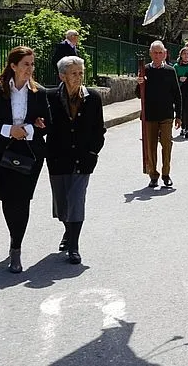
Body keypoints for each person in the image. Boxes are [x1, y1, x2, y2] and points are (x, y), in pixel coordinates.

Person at [0, 46, 51, 273]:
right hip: (2, 151)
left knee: (22, 200)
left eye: (32, 64)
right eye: (25, 64)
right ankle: (15, 236)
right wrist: (9, 130)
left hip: (29, 153)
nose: (30, 69)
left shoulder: (39, 92)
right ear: (13, 66)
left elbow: (47, 125)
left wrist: (29, 129)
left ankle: (16, 248)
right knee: (7, 198)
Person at [45, 55, 105, 264]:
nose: (78, 77)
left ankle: (74, 245)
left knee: (76, 200)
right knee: (62, 204)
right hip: (57, 158)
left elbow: (99, 130)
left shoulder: (93, 97)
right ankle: (68, 231)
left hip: (83, 158)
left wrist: (93, 153)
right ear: (62, 76)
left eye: (81, 73)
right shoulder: (50, 97)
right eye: (73, 73)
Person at [137, 41, 181, 188]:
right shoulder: (145, 70)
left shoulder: (170, 70)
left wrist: (179, 116)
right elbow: (138, 94)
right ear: (150, 54)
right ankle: (153, 175)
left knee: (167, 145)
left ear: (165, 54)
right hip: (150, 115)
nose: (157, 55)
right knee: (150, 146)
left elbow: (177, 94)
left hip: (166, 114)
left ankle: (166, 174)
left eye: (160, 53)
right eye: (155, 53)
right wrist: (140, 83)